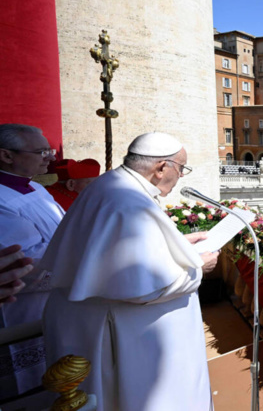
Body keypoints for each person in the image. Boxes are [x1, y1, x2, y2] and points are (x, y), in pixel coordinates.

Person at [40, 132, 219, 410]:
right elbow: (145, 287)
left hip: (90, 318)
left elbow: (112, 253)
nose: (181, 176)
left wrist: (179, 244)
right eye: (181, 168)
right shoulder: (128, 202)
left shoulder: (111, 185)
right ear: (161, 168)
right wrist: (199, 267)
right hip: (121, 329)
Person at [0, 123, 64, 399]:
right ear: (6, 155)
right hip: (22, 311)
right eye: (41, 151)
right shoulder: (2, 199)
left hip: (55, 303)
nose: (50, 157)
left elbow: (66, 231)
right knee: (30, 391)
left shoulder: (37, 189)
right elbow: (25, 261)